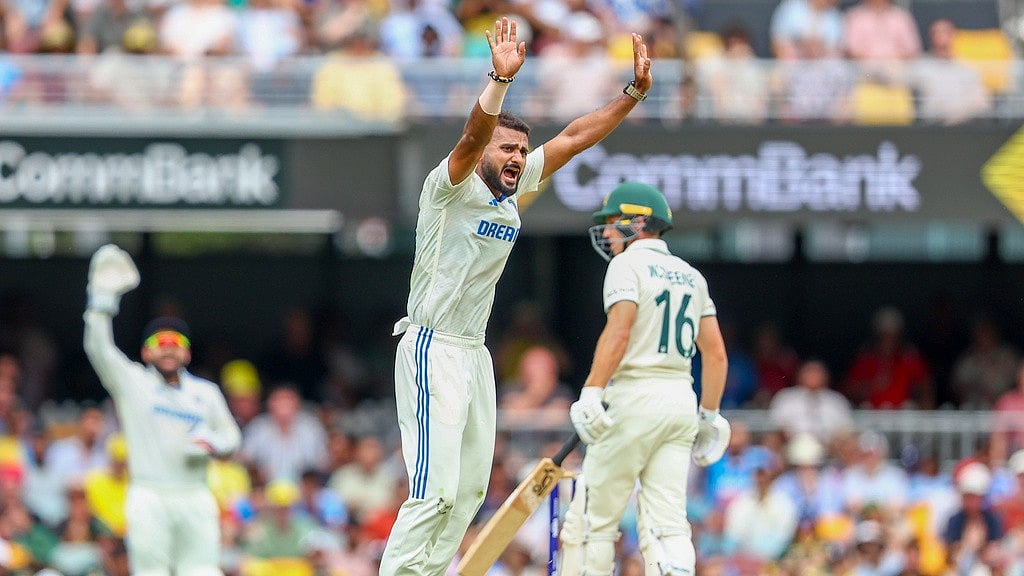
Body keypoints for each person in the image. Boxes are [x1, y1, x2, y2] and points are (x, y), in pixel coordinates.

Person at [380, 17, 654, 576]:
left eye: (521, 149)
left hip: (474, 352)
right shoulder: (449, 188)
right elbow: (470, 138)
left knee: (468, 492)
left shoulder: (514, 188)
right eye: (507, 147)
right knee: (433, 489)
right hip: (431, 346)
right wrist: (498, 81)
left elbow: (574, 139)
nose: (516, 157)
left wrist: (631, 95)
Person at [559, 182, 730, 576]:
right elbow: (716, 353)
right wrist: (709, 415)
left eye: (612, 222)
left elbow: (619, 332)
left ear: (638, 221)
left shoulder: (627, 264)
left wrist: (591, 391)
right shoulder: (691, 275)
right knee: (668, 524)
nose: (605, 232)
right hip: (681, 402)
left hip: (635, 397)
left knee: (590, 523)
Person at [82, 244, 242, 576]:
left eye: (176, 344)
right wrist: (101, 301)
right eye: (159, 344)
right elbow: (98, 348)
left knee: (202, 570)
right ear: (145, 352)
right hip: (148, 493)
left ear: (186, 353)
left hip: (195, 493)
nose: (168, 350)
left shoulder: (205, 393)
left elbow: (232, 439)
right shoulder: (133, 384)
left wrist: (214, 444)